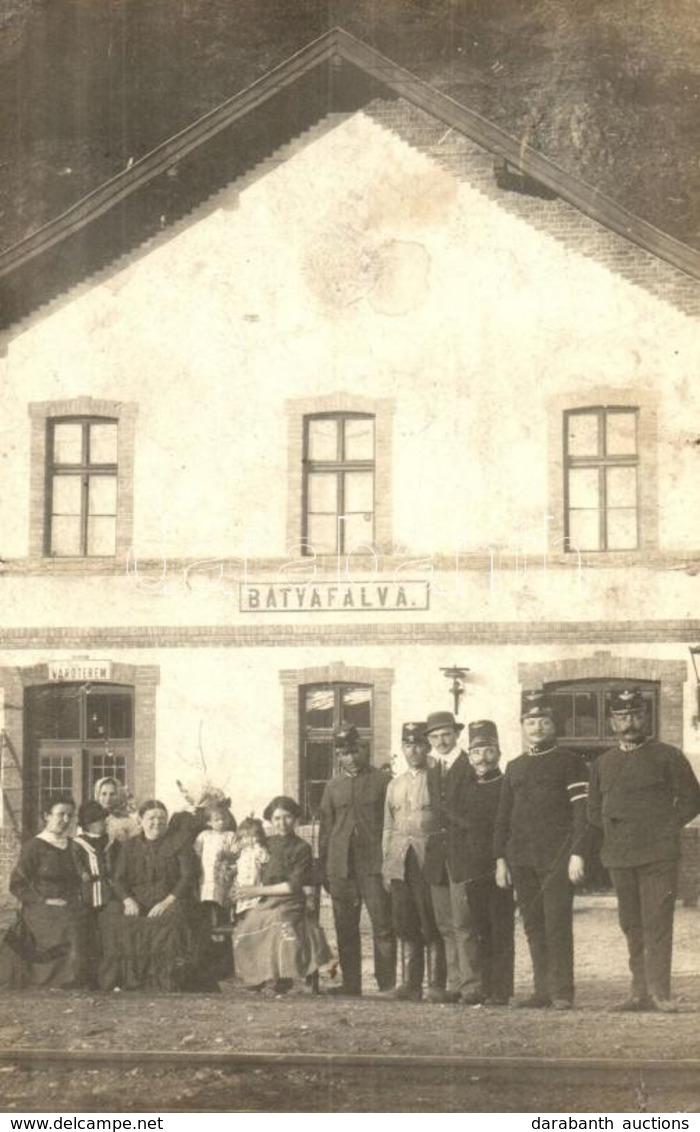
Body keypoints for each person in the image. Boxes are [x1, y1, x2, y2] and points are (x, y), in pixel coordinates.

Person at [588, 688, 700, 1013]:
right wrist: (616, 832)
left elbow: (693, 800)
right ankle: (638, 993)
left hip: (658, 856)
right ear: (612, 722)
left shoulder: (668, 756)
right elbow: (593, 811)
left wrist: (664, 826)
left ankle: (660, 992)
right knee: (631, 923)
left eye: (636, 715)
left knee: (657, 922)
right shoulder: (602, 764)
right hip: (620, 857)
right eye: (622, 717)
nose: (630, 723)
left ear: (645, 718)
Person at [494, 690, 589, 1010]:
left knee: (557, 922)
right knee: (533, 924)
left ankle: (562, 991)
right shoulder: (515, 766)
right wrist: (500, 859)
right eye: (530, 721)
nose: (536, 727)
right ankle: (541, 991)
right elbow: (503, 817)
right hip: (521, 859)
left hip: (557, 858)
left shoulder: (571, 762)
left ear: (554, 725)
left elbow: (582, 814)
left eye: (543, 721)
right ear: (522, 726)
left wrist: (577, 853)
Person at [319, 725, 396, 997]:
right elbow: (326, 830)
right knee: (345, 929)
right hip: (342, 868)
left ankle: (387, 985)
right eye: (343, 753)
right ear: (338, 755)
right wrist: (324, 870)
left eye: (353, 751)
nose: (349, 757)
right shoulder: (332, 786)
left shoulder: (383, 781)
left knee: (383, 926)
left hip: (374, 866)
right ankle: (351, 985)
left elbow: (392, 824)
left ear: (363, 748)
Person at [232, 796, 332, 994]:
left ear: (295, 819)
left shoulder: (301, 847)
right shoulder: (265, 843)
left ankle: (281, 978)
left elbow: (293, 887)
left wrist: (256, 891)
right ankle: (258, 976)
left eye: (287, 817)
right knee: (252, 921)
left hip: (290, 901)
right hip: (265, 900)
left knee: (278, 921)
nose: (282, 823)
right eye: (277, 818)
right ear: (270, 820)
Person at [100, 799, 200, 991]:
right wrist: (128, 900)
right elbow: (118, 879)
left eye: (162, 818)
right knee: (112, 918)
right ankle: (124, 979)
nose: (157, 823)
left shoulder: (179, 843)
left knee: (171, 921)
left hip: (171, 899)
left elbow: (187, 877)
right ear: (140, 820)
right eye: (151, 818)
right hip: (137, 900)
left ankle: (163, 981)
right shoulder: (129, 846)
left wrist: (167, 902)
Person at [448, 720, 514, 1006]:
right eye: (476, 753)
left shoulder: (506, 785)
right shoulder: (466, 788)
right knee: (480, 929)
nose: (482, 759)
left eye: (488, 751)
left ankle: (502, 989)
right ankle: (484, 986)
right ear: (469, 757)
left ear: (498, 753)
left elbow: (511, 826)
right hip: (473, 868)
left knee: (501, 929)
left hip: (499, 867)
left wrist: (505, 862)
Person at [382, 722, 447, 1001]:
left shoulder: (437, 778)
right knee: (404, 921)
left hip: (428, 858)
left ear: (427, 746)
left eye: (419, 743)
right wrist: (386, 863)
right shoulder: (394, 784)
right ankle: (409, 984)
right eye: (408, 745)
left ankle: (436, 984)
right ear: (403, 748)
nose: (414, 750)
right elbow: (388, 826)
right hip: (400, 860)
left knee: (430, 920)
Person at [424, 710, 482, 1005]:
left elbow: (473, 813)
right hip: (438, 854)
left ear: (457, 734)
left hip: (463, 853)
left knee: (464, 922)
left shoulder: (469, 764)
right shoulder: (433, 768)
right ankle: (455, 982)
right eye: (434, 737)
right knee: (445, 923)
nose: (441, 740)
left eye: (446, 734)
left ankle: (472, 984)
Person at [0, 794, 87, 989]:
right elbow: (17, 885)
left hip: (69, 902)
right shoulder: (34, 847)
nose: (65, 820)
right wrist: (44, 900)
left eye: (69, 816)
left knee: (85, 920)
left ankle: (78, 975)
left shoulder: (73, 846)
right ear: (47, 816)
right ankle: (57, 978)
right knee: (67, 925)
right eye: (60, 814)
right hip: (39, 907)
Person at [70, 800, 114, 989]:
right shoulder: (78, 843)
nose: (104, 823)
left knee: (105, 935)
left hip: (107, 892)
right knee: (87, 935)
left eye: (104, 819)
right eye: (99, 820)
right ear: (88, 823)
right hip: (87, 895)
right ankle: (86, 976)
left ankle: (106, 976)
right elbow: (74, 862)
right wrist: (81, 872)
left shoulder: (110, 841)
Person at [193, 800, 239, 930]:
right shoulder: (204, 835)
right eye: (217, 820)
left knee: (222, 895)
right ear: (209, 822)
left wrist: (227, 854)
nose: (221, 822)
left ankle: (223, 920)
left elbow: (236, 852)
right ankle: (209, 920)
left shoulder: (231, 835)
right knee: (208, 896)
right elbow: (196, 851)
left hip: (223, 871)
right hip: (206, 871)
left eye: (224, 818)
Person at [232, 817, 270, 915]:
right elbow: (239, 866)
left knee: (254, 907)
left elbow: (265, 860)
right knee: (243, 907)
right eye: (244, 837)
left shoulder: (259, 850)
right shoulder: (243, 852)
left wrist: (258, 845)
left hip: (255, 884)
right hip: (242, 883)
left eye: (252, 836)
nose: (248, 840)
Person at [93, 777, 140, 847]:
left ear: (118, 795)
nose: (108, 799)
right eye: (103, 794)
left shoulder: (127, 820)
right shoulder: (90, 818)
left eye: (112, 794)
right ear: (97, 795)